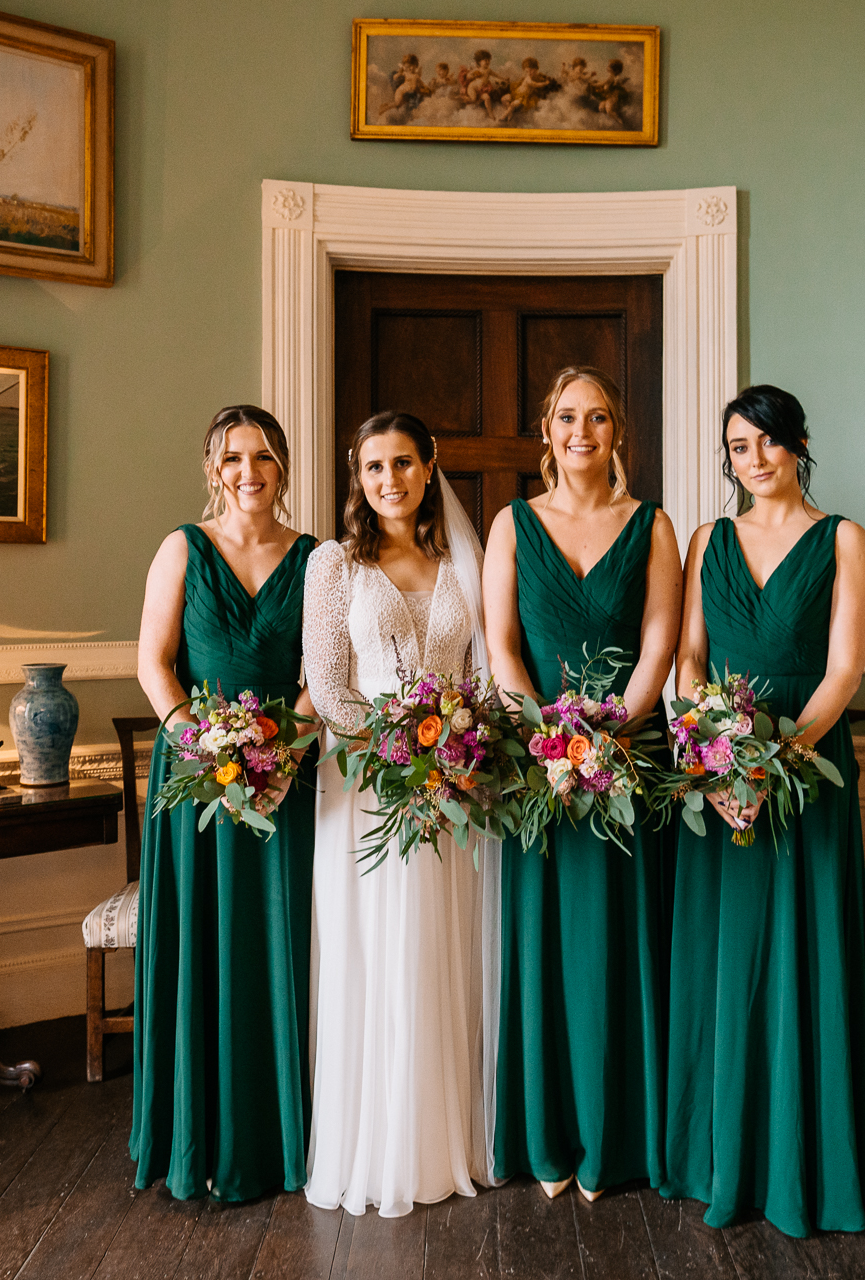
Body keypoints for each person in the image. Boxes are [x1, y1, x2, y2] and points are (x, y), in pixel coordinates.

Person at [662, 384, 865, 1236]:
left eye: (765, 443)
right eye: (736, 447)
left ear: (797, 444)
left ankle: (809, 1169)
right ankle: (717, 1158)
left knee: (805, 957)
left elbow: (844, 674)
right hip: (716, 774)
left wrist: (776, 758)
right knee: (729, 957)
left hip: (808, 770)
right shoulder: (707, 540)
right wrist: (711, 749)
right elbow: (689, 654)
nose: (751, 460)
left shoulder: (844, 539)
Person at [482, 368, 681, 1202]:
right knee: (549, 950)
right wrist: (550, 738)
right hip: (541, 769)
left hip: (630, 762)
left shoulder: (655, 526)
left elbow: (662, 640)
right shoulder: (511, 524)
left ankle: (621, 1139)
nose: (582, 431)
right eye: (568, 417)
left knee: (622, 948)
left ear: (616, 434)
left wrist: (612, 733)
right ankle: (548, 1140)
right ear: (546, 430)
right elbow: (501, 646)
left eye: (599, 417)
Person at [302, 411, 500, 1217]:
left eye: (405, 464)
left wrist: (455, 754)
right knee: (374, 956)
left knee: (437, 950)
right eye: (376, 466)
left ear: (430, 467)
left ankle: (440, 1138)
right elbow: (329, 682)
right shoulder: (334, 566)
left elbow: (485, 675)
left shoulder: (465, 560)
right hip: (363, 794)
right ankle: (373, 1147)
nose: (391, 480)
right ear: (358, 472)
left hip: (450, 792)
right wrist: (400, 757)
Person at [129, 406, 318, 1202]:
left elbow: (324, 673)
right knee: (202, 945)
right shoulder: (182, 548)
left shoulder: (316, 559)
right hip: (196, 783)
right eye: (234, 458)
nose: (250, 472)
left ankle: (284, 1139)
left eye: (265, 458)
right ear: (214, 467)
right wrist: (206, 747)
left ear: (283, 468)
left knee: (280, 943)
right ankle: (196, 1133)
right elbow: (153, 663)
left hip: (285, 777)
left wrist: (280, 749)